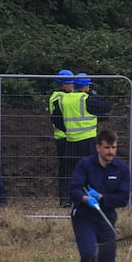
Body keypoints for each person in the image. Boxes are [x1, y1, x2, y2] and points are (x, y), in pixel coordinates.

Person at [69, 128, 130, 262]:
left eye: (113, 147)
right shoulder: (85, 165)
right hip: (84, 217)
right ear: (98, 147)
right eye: (106, 148)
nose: (110, 152)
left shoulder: (122, 170)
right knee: (89, 254)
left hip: (106, 220)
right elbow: (74, 188)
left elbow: (123, 198)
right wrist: (86, 199)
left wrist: (102, 198)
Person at [58, 73, 112, 199]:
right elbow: (106, 106)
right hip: (87, 140)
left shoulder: (65, 99)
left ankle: (67, 198)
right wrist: (96, 95)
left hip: (70, 139)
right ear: (85, 86)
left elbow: (57, 118)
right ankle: (89, 196)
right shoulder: (86, 99)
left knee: (70, 171)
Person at [49, 69, 75, 202]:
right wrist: (68, 130)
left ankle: (71, 197)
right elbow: (57, 118)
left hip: (70, 136)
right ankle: (65, 199)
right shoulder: (58, 97)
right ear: (62, 84)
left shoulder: (67, 96)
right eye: (69, 83)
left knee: (72, 168)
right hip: (63, 137)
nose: (72, 85)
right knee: (65, 168)